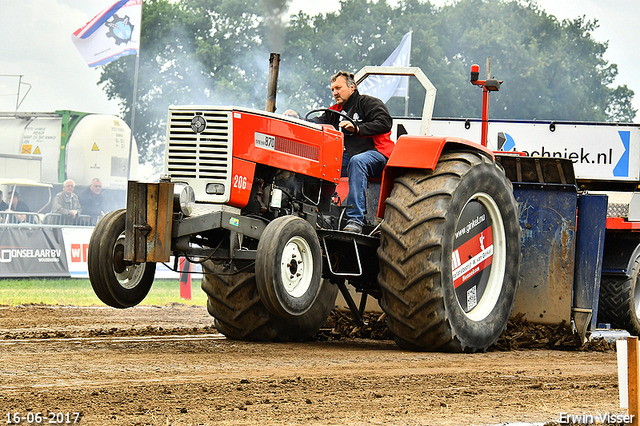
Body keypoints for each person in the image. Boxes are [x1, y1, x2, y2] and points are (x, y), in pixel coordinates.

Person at [310, 71, 395, 233]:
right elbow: (318, 121)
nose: (335, 92)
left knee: (358, 161)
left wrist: (357, 128)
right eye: (332, 89)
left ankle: (356, 219)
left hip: (378, 154)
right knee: (323, 162)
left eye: (338, 88)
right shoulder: (335, 111)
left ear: (352, 87)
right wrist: (297, 117)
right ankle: (318, 212)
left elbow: (385, 122)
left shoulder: (367, 103)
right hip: (351, 156)